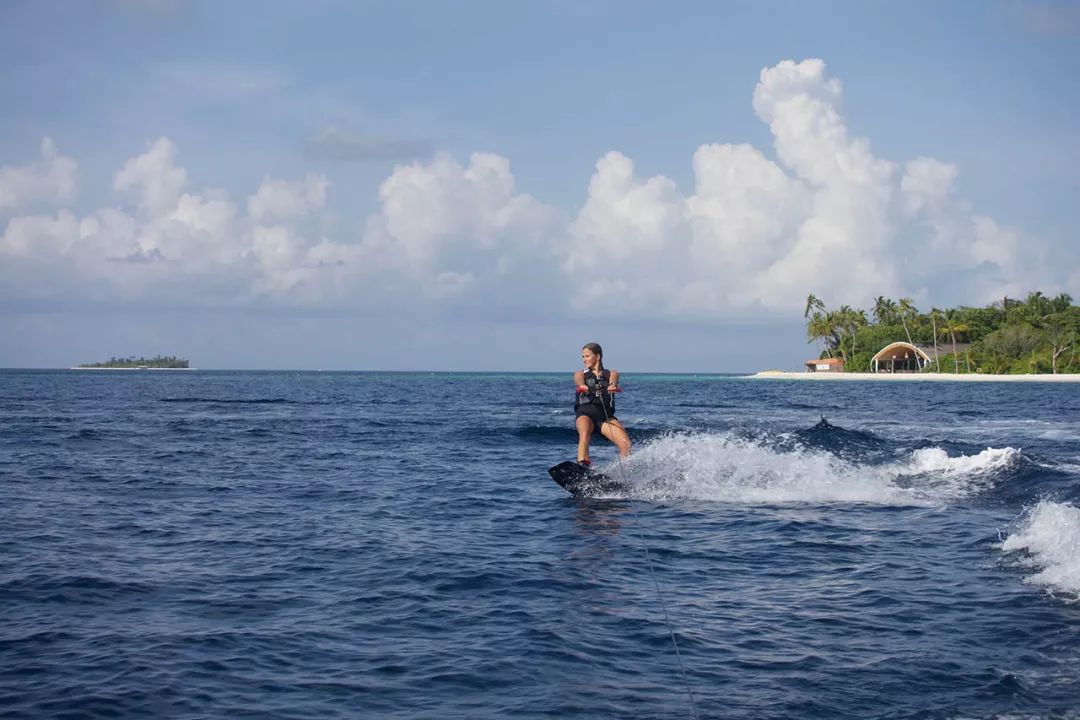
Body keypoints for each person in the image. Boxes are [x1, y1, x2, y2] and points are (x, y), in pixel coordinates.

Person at [573, 342, 631, 466]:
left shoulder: (611, 374)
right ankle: (582, 464)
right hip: (585, 414)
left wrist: (612, 386)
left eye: (587, 356)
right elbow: (578, 379)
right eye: (583, 357)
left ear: (597, 356)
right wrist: (582, 385)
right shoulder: (580, 374)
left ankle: (623, 473)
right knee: (584, 431)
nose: (584, 359)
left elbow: (614, 379)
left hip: (605, 417)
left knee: (626, 444)